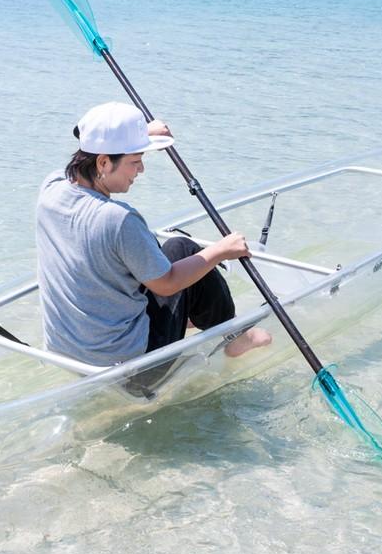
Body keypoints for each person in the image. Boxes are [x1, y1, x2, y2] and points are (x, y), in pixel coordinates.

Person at [35, 101, 271, 367]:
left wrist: (142, 134)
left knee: (156, 254)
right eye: (135, 161)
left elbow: (91, 148)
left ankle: (191, 315)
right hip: (130, 361)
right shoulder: (119, 218)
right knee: (182, 248)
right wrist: (223, 250)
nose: (141, 170)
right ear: (103, 162)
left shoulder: (51, 189)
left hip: (65, 350)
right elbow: (166, 284)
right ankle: (237, 338)